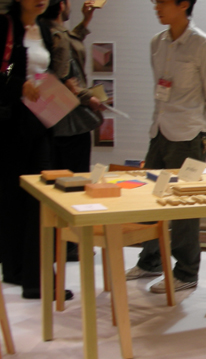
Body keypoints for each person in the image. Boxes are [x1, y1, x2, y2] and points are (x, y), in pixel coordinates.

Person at [126, 0, 206, 293]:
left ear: (183, 4)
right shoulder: (157, 42)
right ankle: (150, 261)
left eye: (163, 1)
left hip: (188, 135)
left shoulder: (203, 44)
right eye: (155, 2)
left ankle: (186, 271)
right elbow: (160, 89)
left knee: (183, 208)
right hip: (159, 131)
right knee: (151, 198)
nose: (156, 7)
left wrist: (201, 131)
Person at [0, 0, 72, 299]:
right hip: (12, 125)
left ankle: (28, 274)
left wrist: (59, 85)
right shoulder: (7, 26)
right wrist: (18, 84)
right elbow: (7, 69)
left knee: (37, 200)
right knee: (17, 199)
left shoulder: (43, 28)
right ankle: (26, 275)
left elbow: (43, 70)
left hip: (38, 121)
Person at [41, 0, 102, 262]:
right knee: (74, 185)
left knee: (59, 183)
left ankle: (62, 244)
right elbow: (66, 78)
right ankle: (70, 244)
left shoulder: (46, 31)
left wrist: (85, 23)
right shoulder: (57, 36)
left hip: (55, 122)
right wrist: (90, 98)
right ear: (61, 5)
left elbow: (69, 45)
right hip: (71, 121)